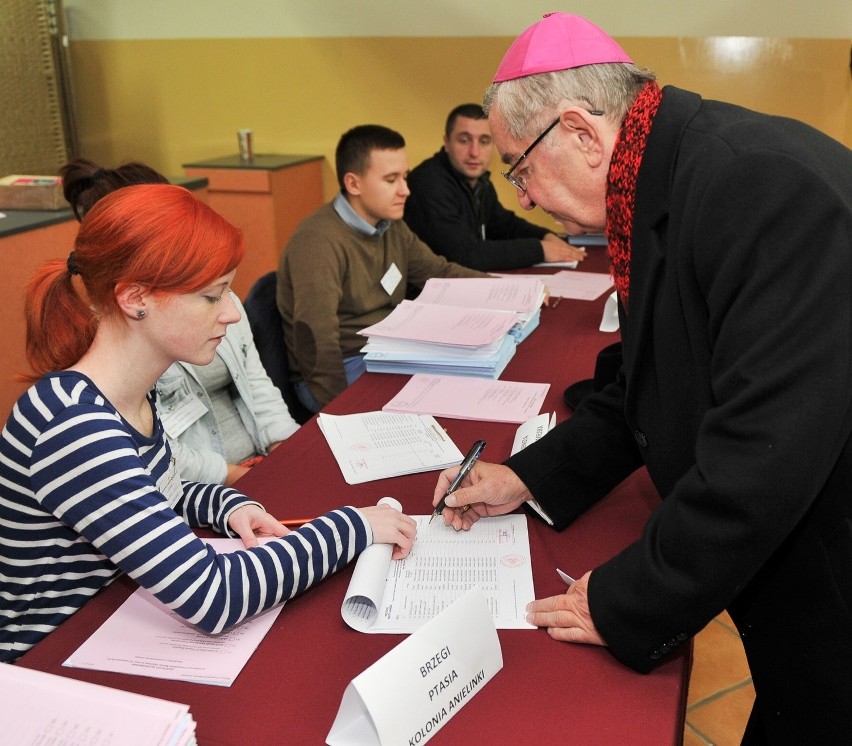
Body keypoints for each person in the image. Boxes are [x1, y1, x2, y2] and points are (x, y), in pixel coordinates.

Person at [431, 13, 852, 743]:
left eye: (519, 167)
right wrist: (528, 478)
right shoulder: (660, 181)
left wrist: (628, 599)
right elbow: (648, 376)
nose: (522, 198)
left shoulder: (756, 186)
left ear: (582, 133)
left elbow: (765, 455)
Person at [0, 184, 416, 663]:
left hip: (109, 625)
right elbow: (214, 598)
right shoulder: (71, 423)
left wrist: (223, 506)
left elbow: (160, 493)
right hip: (48, 662)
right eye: (211, 296)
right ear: (136, 298)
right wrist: (353, 528)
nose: (232, 313)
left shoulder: (129, 394)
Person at [59, 158, 299, 486]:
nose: (232, 312)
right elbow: (164, 474)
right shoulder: (97, 394)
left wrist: (288, 451)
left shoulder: (198, 306)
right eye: (212, 295)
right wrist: (242, 481)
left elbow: (255, 381)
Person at [277, 124, 487, 413]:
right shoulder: (318, 241)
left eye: (405, 177)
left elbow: (440, 272)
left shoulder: (391, 226)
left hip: (386, 351)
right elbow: (317, 342)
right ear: (354, 184)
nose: (405, 190)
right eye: (391, 180)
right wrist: (343, 412)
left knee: (469, 383)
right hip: (337, 370)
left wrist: (511, 293)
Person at [404, 103, 585, 271]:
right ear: (447, 142)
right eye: (464, 140)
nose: (474, 152)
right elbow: (465, 255)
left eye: (484, 141)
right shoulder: (429, 183)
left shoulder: (479, 181)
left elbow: (502, 224)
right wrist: (540, 249)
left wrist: (545, 236)